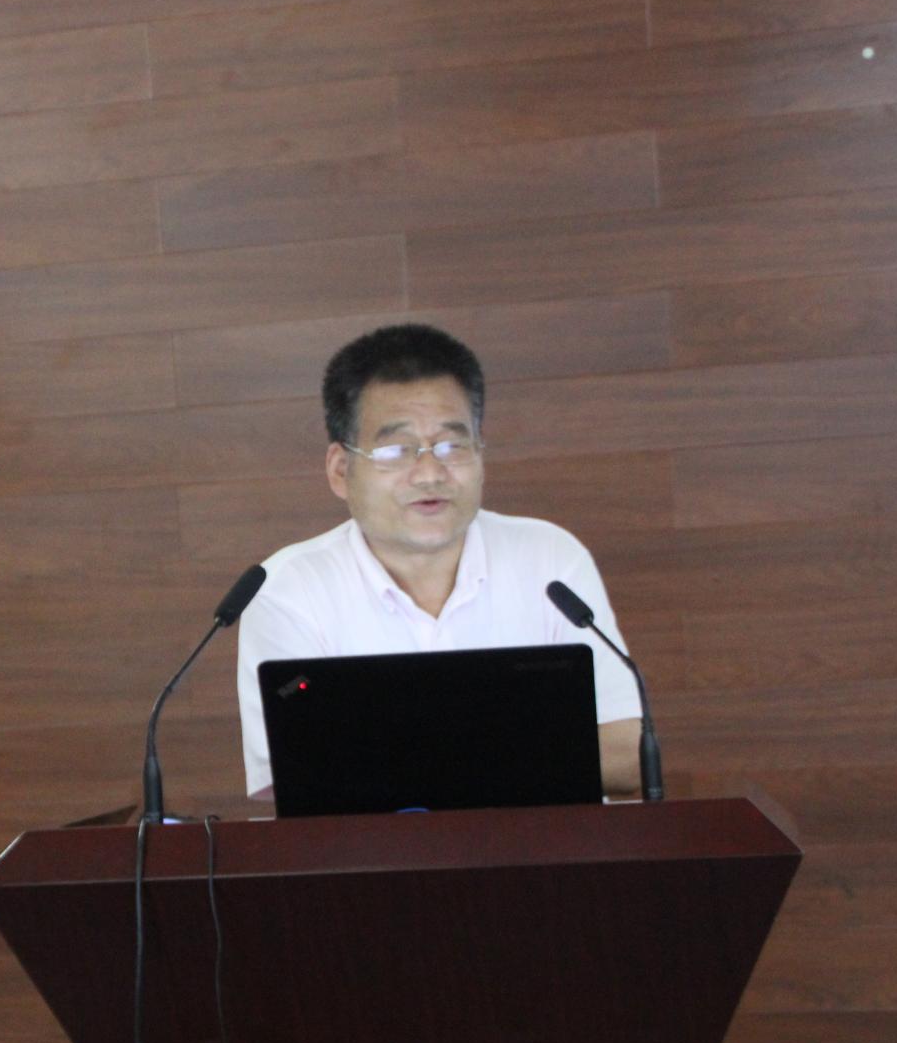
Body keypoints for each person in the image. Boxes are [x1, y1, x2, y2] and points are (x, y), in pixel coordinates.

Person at [235, 323, 645, 800]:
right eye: (396, 450)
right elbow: (300, 779)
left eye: (452, 445)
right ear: (341, 470)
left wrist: (408, 757)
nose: (430, 473)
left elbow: (629, 756)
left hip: (545, 848)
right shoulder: (288, 590)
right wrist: (520, 750)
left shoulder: (550, 560)